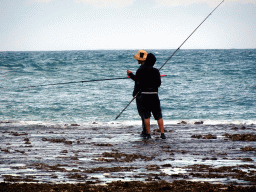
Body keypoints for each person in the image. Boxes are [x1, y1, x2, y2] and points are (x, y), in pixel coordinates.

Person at [127, 50, 166, 139]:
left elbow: (138, 82)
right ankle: (162, 134)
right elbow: (158, 84)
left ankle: (147, 134)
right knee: (158, 115)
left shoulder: (140, 70)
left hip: (144, 95)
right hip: (154, 95)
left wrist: (131, 75)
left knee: (146, 115)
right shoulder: (156, 71)